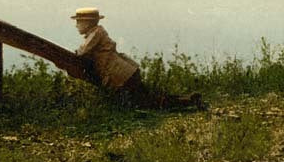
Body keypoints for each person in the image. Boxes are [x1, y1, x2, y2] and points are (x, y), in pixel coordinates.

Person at [71, 7, 202, 110]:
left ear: (87, 23)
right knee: (147, 99)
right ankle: (187, 99)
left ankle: (187, 101)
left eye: (78, 21)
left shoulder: (96, 34)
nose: (76, 25)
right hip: (126, 72)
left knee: (146, 102)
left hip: (121, 75)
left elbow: (82, 51)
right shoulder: (97, 32)